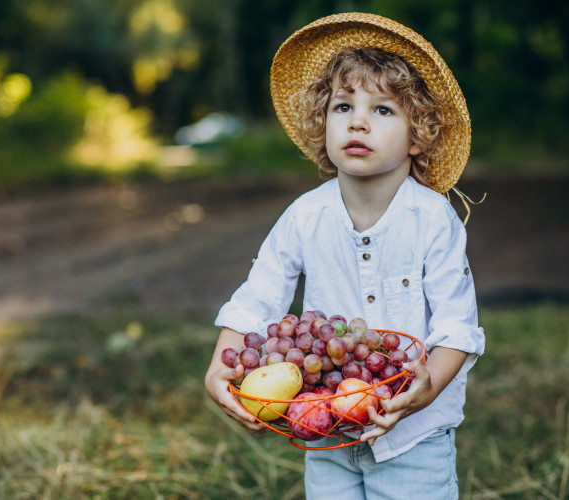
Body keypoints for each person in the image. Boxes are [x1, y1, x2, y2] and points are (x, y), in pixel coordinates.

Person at [204, 12, 485, 499]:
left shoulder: (431, 218)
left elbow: (457, 323)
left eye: (382, 110)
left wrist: (429, 388)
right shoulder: (305, 216)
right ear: (322, 124)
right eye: (342, 107)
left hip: (413, 437)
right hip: (327, 427)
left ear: (417, 134)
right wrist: (218, 366)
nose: (357, 120)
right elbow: (260, 295)